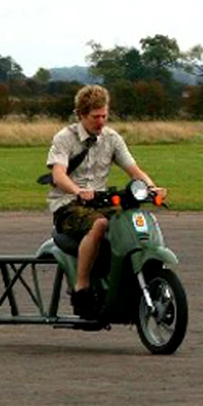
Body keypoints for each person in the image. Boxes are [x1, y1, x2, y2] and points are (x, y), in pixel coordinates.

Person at [45, 84, 165, 319]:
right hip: (69, 205)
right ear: (81, 115)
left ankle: (122, 281)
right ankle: (81, 288)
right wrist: (77, 190)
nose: (101, 121)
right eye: (95, 117)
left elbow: (134, 170)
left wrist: (152, 188)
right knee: (99, 224)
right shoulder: (65, 138)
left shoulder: (112, 138)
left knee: (130, 219)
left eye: (104, 115)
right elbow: (58, 174)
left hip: (100, 203)